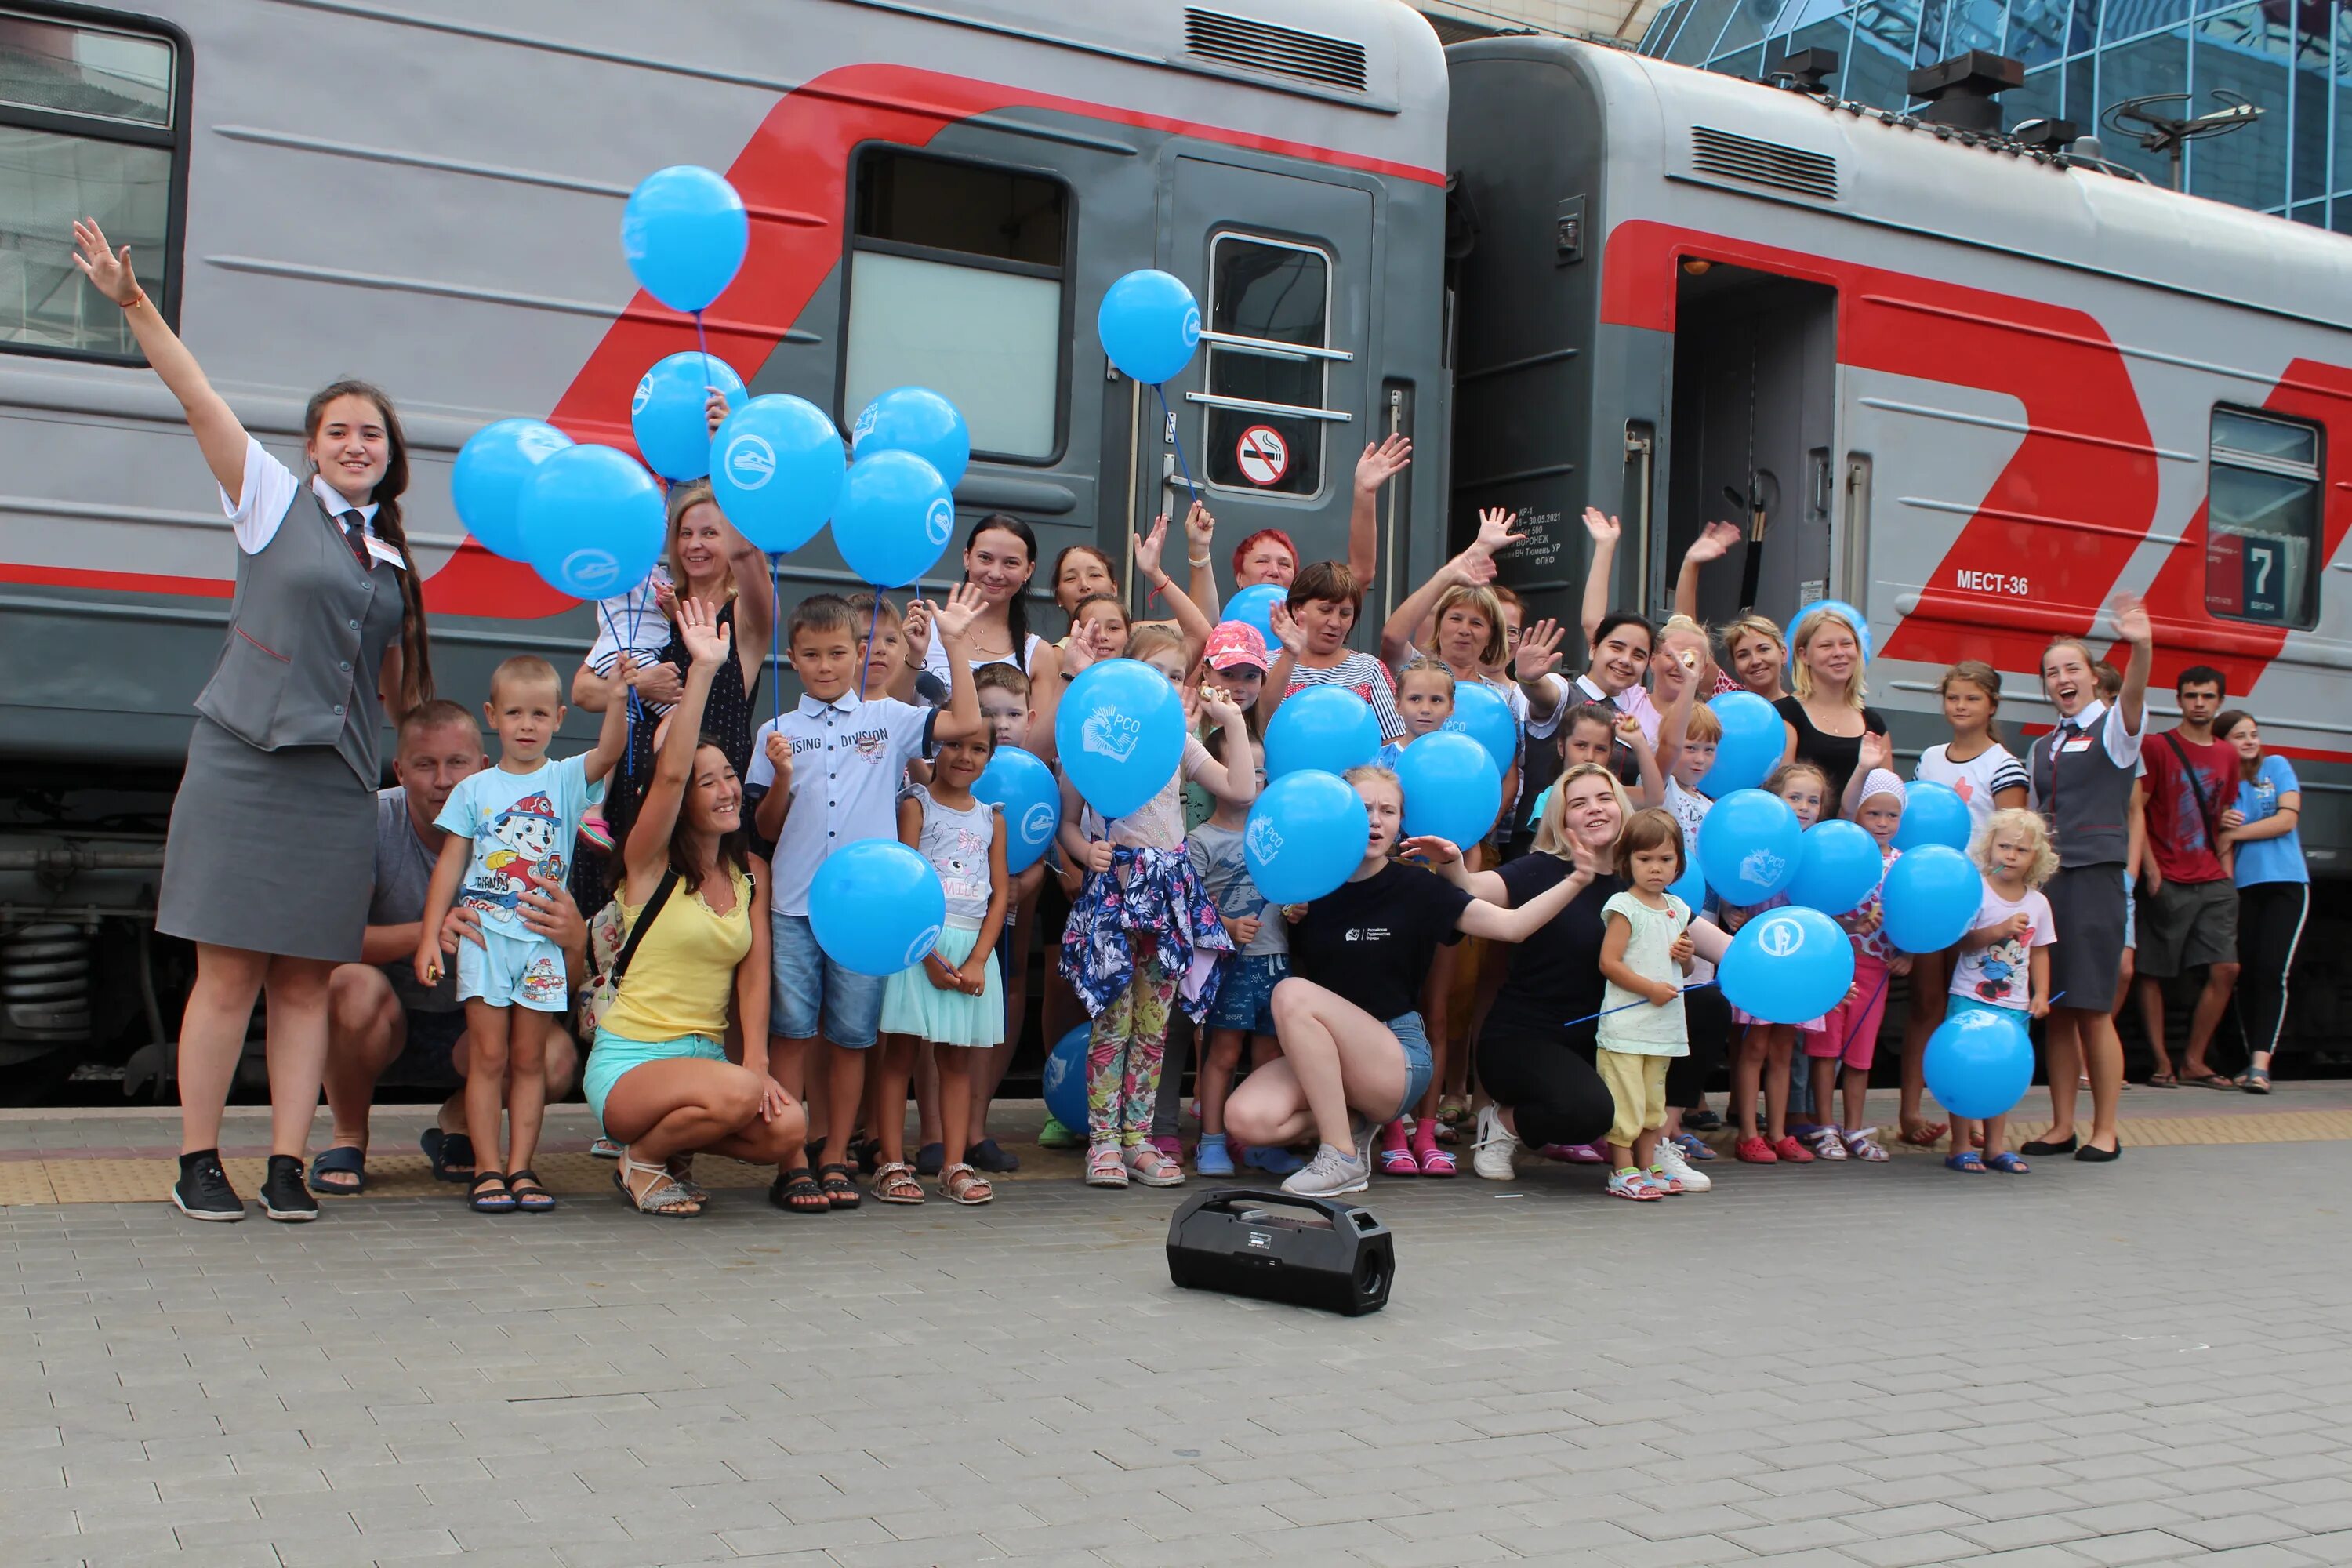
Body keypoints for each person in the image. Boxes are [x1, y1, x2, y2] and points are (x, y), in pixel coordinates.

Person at [72, 220, 433, 1224]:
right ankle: (197, 1160)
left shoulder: (395, 563)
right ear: (311, 446)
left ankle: (284, 1161)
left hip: (333, 784)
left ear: (391, 456)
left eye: (374, 434)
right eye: (340, 431)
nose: (358, 444)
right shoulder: (271, 500)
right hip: (244, 761)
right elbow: (197, 396)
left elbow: (388, 690)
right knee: (228, 975)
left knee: (308, 981)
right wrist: (134, 302)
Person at [1222, 764, 1610, 1198]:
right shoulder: (1311, 886)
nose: (1375, 819)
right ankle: (1350, 1126)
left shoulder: (1418, 887)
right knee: (1245, 1119)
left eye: (1388, 810)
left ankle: (1341, 1157)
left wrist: (1577, 879)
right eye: (1363, 808)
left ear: (1400, 821)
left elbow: (1513, 926)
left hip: (1395, 1057)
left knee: (1292, 993)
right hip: (1326, 1056)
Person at [750, 587, 985, 1210]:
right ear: (791, 658)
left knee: (853, 1036)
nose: (825, 666)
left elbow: (963, 722)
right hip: (796, 907)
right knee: (794, 1033)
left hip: (865, 917)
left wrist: (954, 645)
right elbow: (767, 830)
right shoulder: (777, 731)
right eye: (810, 655)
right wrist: (778, 777)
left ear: (860, 654)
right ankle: (791, 1157)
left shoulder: (889, 720)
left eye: (836, 653)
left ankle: (835, 1159)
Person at [587, 598, 804, 1217]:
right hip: (633, 1061)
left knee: (789, 1128)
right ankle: (644, 1158)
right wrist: (705, 671)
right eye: (708, 783)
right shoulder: (647, 862)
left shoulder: (749, 874)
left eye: (729, 776)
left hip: (705, 1062)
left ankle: (669, 1152)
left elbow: (755, 974)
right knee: (737, 1094)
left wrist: (758, 1063)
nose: (727, 788)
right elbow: (670, 776)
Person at [316, 702, 583, 1193]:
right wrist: (433, 930)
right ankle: (349, 1134)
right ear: (399, 770)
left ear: (482, 767)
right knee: (346, 985)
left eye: (456, 763)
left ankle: (458, 1126)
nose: (442, 780)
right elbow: (325, 944)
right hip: (388, 1016)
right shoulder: (373, 822)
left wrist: (576, 938)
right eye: (425, 764)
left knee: (554, 1056)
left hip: (479, 1026)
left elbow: (565, 980)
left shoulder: (536, 826)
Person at [1427, 764, 1710, 1196]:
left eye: (1604, 798)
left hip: (1608, 1041)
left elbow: (1724, 947)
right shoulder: (1538, 871)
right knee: (1591, 1112)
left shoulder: (1643, 875)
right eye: (1579, 803)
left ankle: (1656, 1142)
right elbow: (1468, 886)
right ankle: (1502, 1123)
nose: (1594, 810)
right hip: (1527, 1040)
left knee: (1708, 1006)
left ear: (1622, 807)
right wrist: (1451, 861)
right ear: (1562, 819)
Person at [415, 656, 630, 1212]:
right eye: (514, 713)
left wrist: (619, 697)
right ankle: (488, 1171)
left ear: (559, 718)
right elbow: (452, 862)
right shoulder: (473, 790)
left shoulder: (562, 779)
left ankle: (522, 1169)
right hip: (484, 943)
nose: (527, 724)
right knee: (488, 1059)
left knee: (529, 1060)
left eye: (539, 713)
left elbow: (609, 753)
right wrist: (430, 932)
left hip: (540, 947)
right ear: (493, 716)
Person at [1058, 627, 1255, 1188]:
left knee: (1153, 1025)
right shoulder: (1094, 738)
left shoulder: (1179, 742)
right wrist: (1083, 850)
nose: (1167, 685)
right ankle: (1103, 1142)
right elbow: (1067, 823)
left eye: (1176, 675)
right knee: (1112, 1022)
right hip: (1116, 893)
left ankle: (1138, 1139)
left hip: (1168, 895)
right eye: (1154, 674)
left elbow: (1240, 789)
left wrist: (1234, 725)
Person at [2026, 598, 2154, 1162]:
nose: (2062, 679)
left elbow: (2133, 699)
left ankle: (2106, 1129)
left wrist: (2142, 646)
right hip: (2053, 882)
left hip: (2097, 877)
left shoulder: (2114, 730)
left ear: (2094, 676)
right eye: (2052, 672)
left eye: (2071, 668)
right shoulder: (2041, 745)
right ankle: (2061, 1125)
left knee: (2095, 1008)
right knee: (2056, 1007)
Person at [871, 725, 1009, 1206]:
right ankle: (890, 1162)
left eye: (977, 749)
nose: (964, 756)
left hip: (972, 950)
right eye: (954, 744)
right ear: (935, 748)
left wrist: (977, 959)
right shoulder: (917, 804)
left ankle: (955, 1163)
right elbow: (905, 883)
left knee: (956, 1059)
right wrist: (925, 953)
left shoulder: (993, 817)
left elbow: (1000, 894)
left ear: (990, 758)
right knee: (901, 1055)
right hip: (920, 946)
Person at [1897, 660, 2031, 1145]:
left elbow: (2014, 838)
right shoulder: (1930, 758)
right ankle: (1910, 1112)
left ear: (1992, 705)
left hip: (1982, 903)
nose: (1960, 706)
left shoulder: (2004, 764)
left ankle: (1974, 1108)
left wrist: (1991, 892)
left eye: (1972, 698)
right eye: (1953, 697)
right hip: (1932, 899)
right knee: (1927, 1005)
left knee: (1974, 1005)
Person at [2134, 666, 2241, 1090]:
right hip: (2168, 872)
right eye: (2191, 695)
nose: (2199, 703)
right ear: (2178, 700)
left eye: (2208, 696)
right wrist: (2151, 868)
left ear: (2219, 702)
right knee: (2153, 972)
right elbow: (2137, 810)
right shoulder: (2157, 747)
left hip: (2212, 876)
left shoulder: (2228, 755)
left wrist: (2226, 869)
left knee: (2227, 968)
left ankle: (2195, 1059)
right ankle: (2163, 1061)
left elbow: (2225, 814)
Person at [1187, 724, 1287, 1178]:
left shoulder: (1279, 836)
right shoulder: (1201, 842)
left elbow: (1292, 886)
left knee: (1269, 1058)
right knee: (1223, 1054)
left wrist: (1298, 908)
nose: (1254, 778)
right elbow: (1186, 908)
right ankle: (1211, 1142)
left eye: (1261, 771)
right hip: (1229, 966)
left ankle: (1259, 1143)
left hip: (1276, 961)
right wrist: (1224, 925)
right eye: (1240, 767)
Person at [963, 662, 1050, 1170]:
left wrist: (1027, 880)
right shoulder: (964, 765)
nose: (1001, 724)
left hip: (1009, 910)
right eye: (988, 712)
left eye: (1013, 713)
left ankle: (976, 1127)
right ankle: (941, 1131)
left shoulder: (1036, 773)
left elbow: (1043, 839)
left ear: (1030, 717)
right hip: (961, 910)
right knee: (954, 1016)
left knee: (993, 1006)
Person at [1726, 760, 1831, 1163]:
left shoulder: (1820, 852)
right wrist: (1733, 912)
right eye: (1795, 797)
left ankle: (1779, 1132)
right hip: (1764, 961)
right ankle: (1749, 1133)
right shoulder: (1764, 848)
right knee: (1755, 1048)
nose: (1805, 807)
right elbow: (1735, 884)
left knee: (1785, 1050)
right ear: (1774, 801)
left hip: (1800, 966)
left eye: (1814, 800)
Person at [1946, 808, 2058, 1174]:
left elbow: (2040, 951)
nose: (2010, 855)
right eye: (2004, 846)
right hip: (1970, 997)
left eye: (2021, 850)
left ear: (2036, 858)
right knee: (1962, 1070)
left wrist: (2041, 994)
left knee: (2002, 1074)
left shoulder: (2038, 903)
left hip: (2013, 1005)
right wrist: (2001, 929)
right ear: (1989, 846)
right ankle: (1960, 1144)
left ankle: (1995, 1147)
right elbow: (1962, 943)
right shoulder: (1976, 890)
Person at [1593, 810, 1697, 1200]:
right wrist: (1650, 989)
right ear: (1627, 861)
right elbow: (1609, 963)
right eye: (1645, 859)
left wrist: (1686, 956)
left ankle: (1648, 1162)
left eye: (1666, 860)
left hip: (1664, 1029)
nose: (1656, 869)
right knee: (1627, 1102)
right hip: (1626, 1030)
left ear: (1679, 864)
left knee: (1654, 1102)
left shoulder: (1677, 909)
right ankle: (1622, 1169)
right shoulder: (1624, 907)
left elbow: (1682, 968)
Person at [1805, 769, 1907, 1163]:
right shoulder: (1842, 854)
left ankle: (1854, 1127)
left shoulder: (1902, 863)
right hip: (1836, 962)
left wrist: (1908, 954)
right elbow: (1824, 906)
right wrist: (1853, 924)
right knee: (1825, 1049)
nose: (1882, 823)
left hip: (1876, 967)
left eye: (1891, 816)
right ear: (1857, 814)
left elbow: (1915, 917)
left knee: (1861, 1052)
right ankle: (1826, 1126)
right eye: (1873, 813)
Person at [2216, 710, 2306, 1094]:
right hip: (2243, 886)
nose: (2250, 740)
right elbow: (2218, 841)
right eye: (2240, 735)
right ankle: (2246, 1061)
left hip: (2286, 882)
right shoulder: (2223, 785)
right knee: (2244, 973)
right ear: (2224, 743)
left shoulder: (2277, 767)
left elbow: (2287, 820)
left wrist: (2237, 833)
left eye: (2253, 733)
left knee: (2271, 970)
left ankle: (2260, 1065)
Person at [923, 514, 1062, 758]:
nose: (995, 573)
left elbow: (1037, 751)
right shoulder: (925, 631)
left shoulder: (1038, 653)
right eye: (985, 558)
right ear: (967, 558)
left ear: (1029, 570)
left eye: (1010, 563)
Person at [1258, 562, 1408, 742]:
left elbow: (1394, 746)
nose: (1335, 623)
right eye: (1325, 610)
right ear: (1298, 608)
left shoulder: (1370, 670)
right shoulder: (1264, 663)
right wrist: (1290, 655)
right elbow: (1257, 724)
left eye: (1345, 614)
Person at [1777, 603, 1889, 817]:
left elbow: (1885, 801)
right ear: (1804, 655)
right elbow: (1780, 793)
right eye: (1826, 646)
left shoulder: (1874, 723)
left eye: (1847, 644)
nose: (1839, 653)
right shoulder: (1786, 714)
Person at [1722, 612, 1793, 703]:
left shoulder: (1805, 711)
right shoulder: (1727, 712)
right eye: (1743, 655)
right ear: (1735, 664)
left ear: (1783, 654)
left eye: (1764, 649)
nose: (1755, 661)